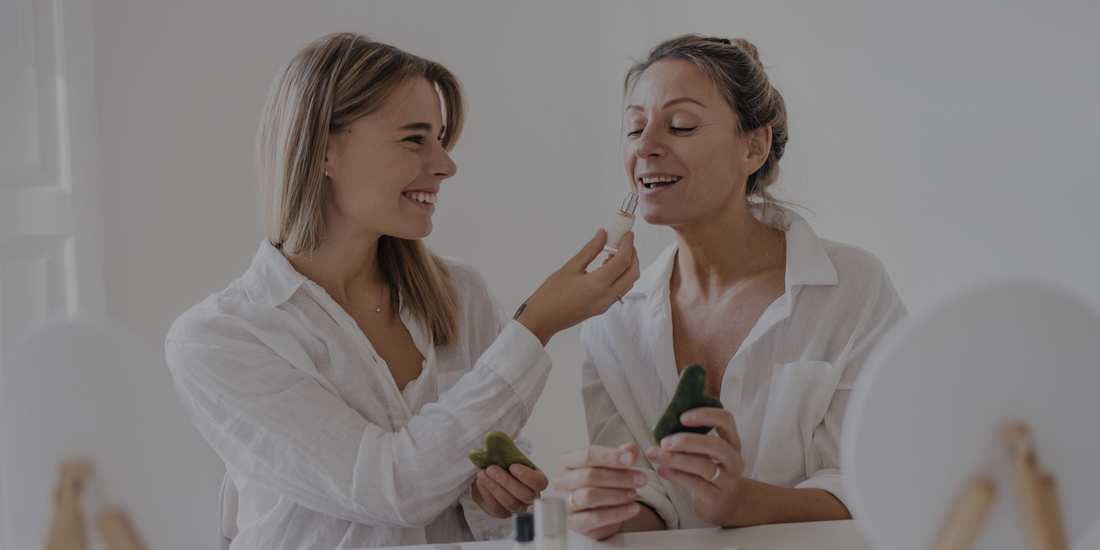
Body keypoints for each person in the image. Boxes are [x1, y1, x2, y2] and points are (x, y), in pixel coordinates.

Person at [165, 33, 639, 549]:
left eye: (440, 138)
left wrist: (492, 495)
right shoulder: (220, 338)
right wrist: (537, 324)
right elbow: (389, 488)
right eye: (415, 139)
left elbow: (492, 499)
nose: (445, 164)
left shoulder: (462, 295)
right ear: (325, 148)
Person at [551, 35, 907, 539]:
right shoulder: (612, 317)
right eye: (634, 127)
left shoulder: (851, 288)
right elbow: (652, 504)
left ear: (753, 147)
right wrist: (600, 506)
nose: (646, 146)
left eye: (680, 125)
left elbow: (867, 487)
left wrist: (740, 501)